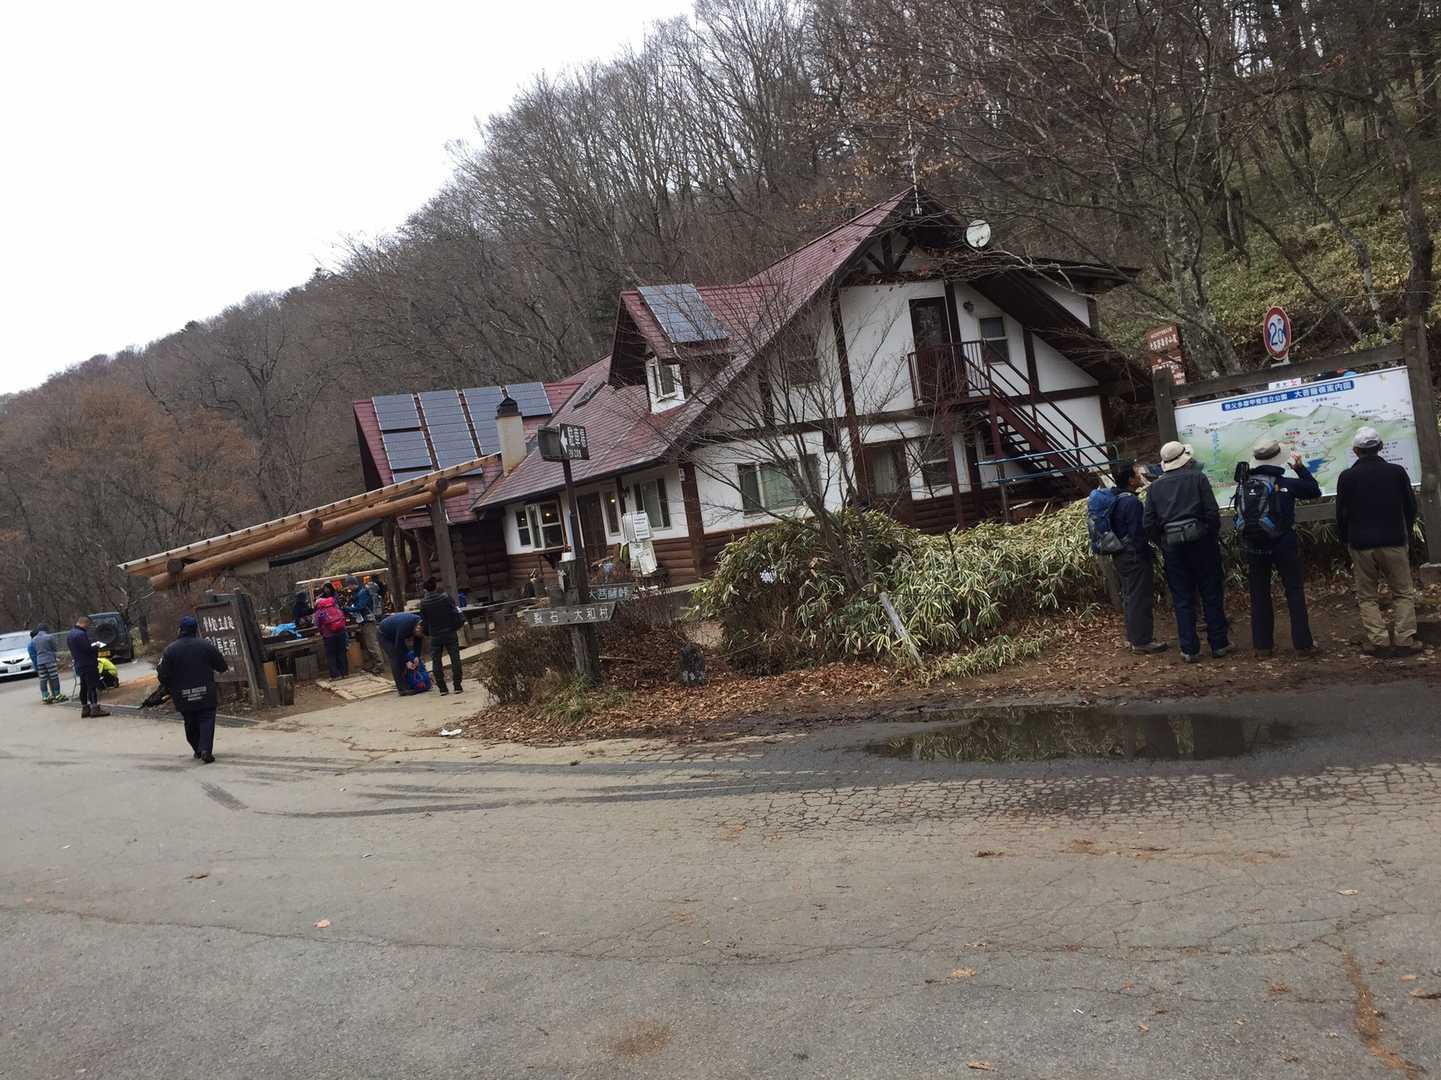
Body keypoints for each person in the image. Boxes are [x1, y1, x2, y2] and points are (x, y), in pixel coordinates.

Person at [1335, 425, 1423, 657]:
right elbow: (1410, 506)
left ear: (1355, 451)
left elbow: (1341, 514)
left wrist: (1346, 539)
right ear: (1381, 447)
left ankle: (1378, 641)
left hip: (1361, 543)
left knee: (1367, 596)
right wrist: (1404, 531)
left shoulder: (1347, 477)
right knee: (1402, 591)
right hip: (1393, 539)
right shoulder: (1396, 472)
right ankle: (1405, 638)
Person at [1143, 441, 1232, 663]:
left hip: (1173, 548)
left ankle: (1189, 649)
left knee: (1182, 597)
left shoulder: (1154, 488)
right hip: (1202, 544)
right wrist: (1209, 535)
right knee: (1211, 593)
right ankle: (1219, 644)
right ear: (1185, 459)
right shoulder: (1198, 478)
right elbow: (1211, 512)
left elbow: (1149, 523)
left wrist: (1163, 541)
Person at [1234, 440, 1322, 658]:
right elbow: (1314, 490)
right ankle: (1303, 645)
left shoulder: (1244, 485)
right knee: (1294, 591)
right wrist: (1300, 468)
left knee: (1259, 594)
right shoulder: (1285, 483)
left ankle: (1262, 646)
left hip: (1254, 545)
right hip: (1284, 543)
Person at [1093, 461, 1167, 654]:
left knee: (1130, 596)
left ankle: (1134, 636)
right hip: (1134, 556)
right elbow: (1138, 533)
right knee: (1139, 597)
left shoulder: (1117, 498)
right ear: (1130, 480)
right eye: (1137, 474)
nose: (1141, 476)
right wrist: (1149, 551)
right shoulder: (1131, 502)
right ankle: (1142, 641)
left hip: (1121, 555)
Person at [156, 615, 228, 763]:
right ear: (196, 629)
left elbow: (163, 675)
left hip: (182, 695)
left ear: (180, 630)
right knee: (207, 719)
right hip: (205, 692)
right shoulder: (206, 646)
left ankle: (198, 749)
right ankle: (205, 749)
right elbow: (222, 666)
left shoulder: (170, 650)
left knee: (190, 721)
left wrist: (168, 685)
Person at [419, 577, 465, 696]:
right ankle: (457, 686)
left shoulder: (423, 603)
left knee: (436, 661)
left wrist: (428, 633)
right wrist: (456, 626)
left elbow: (424, 621)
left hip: (435, 635)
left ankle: (442, 688)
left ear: (425, 589)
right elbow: (455, 612)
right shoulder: (445, 598)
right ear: (435, 586)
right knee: (455, 659)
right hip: (450, 632)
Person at [66, 616, 110, 717]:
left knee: (83, 686)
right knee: (92, 686)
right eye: (88, 625)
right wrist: (96, 647)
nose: (88, 627)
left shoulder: (70, 634)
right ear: (85, 623)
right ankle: (95, 708)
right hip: (88, 663)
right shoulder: (81, 634)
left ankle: (85, 708)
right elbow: (87, 650)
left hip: (79, 663)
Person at [378, 609, 424, 694]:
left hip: (395, 634)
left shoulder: (420, 624)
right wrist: (407, 661)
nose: (419, 635)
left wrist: (417, 656)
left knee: (406, 656)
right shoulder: (405, 625)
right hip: (385, 635)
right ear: (417, 628)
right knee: (395, 657)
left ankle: (408, 683)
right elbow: (399, 645)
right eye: (419, 633)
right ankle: (402, 689)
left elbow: (418, 640)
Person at [344, 576, 384, 673]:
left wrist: (348, 609)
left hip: (368, 620)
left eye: (348, 585)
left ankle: (379, 665)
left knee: (372, 644)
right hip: (364, 620)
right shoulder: (358, 592)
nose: (348, 588)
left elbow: (361, 606)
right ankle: (374, 664)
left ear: (352, 584)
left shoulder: (362, 592)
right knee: (368, 644)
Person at [313, 594, 350, 679]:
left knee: (331, 654)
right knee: (341, 652)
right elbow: (343, 618)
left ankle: (335, 675)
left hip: (328, 635)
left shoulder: (319, 612)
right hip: (341, 633)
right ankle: (345, 673)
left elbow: (317, 623)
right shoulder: (336, 608)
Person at [31, 625, 65, 703]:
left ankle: (45, 696)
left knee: (43, 679)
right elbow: (55, 648)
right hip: (49, 660)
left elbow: (35, 650)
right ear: (45, 629)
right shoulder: (49, 637)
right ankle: (57, 695)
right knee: (54, 678)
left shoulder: (34, 639)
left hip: (40, 661)